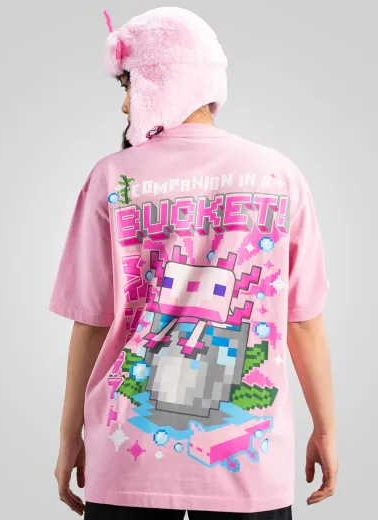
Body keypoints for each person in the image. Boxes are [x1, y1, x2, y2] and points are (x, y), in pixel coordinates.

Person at [49, 7, 338, 520]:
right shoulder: (279, 175)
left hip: (128, 454)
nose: (124, 106)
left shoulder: (113, 178)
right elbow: (303, 322)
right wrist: (327, 428)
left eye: (129, 86)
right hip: (249, 461)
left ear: (160, 80)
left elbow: (90, 324)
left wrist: (70, 435)